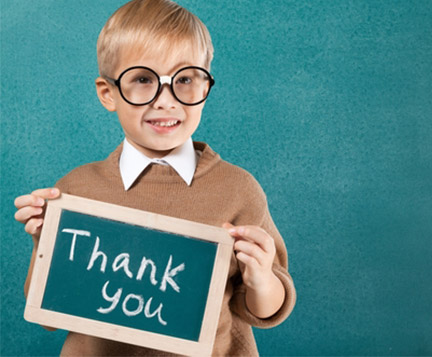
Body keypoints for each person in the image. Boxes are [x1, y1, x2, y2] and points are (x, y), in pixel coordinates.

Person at [13, 0, 296, 355]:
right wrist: (44, 242)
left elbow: (265, 309)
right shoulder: (77, 191)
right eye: (144, 80)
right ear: (108, 93)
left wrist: (262, 278)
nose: (166, 100)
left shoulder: (238, 191)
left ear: (206, 86)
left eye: (185, 79)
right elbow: (47, 314)